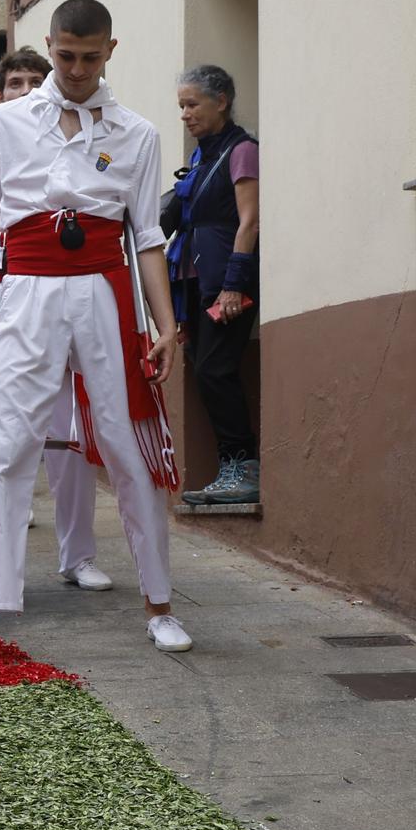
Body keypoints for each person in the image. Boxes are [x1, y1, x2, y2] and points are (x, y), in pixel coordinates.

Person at [0, 0, 191, 663]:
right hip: (24, 292)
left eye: (91, 57)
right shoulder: (3, 123)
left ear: (111, 50)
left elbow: (146, 236)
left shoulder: (138, 133)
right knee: (4, 446)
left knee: (126, 444)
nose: (78, 68)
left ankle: (159, 604)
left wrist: (164, 327)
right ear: (49, 46)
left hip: (104, 292)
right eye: (66, 56)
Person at [0, 49, 114, 590]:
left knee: (69, 431)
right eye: (15, 83)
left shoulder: (81, 161)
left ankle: (77, 553)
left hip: (65, 306)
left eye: (36, 81)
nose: (26, 91)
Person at [171, 65, 260, 505]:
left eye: (192, 104)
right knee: (205, 371)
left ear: (221, 101)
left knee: (215, 370)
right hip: (197, 282)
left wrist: (233, 285)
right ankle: (230, 468)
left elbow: (250, 221)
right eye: (181, 106)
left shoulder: (241, 150)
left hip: (227, 280)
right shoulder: (202, 156)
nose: (185, 115)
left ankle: (243, 469)